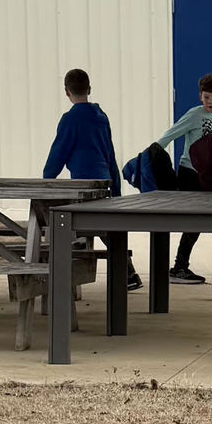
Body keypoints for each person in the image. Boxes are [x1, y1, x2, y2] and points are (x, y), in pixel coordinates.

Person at [43, 68, 142, 291]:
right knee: (106, 228)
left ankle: (66, 278)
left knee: (79, 226)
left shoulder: (70, 119)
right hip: (104, 180)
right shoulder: (101, 117)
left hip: (83, 184)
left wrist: (46, 180)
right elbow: (109, 152)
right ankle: (128, 273)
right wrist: (115, 187)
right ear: (89, 89)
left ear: (67, 92)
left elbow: (59, 152)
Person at [156, 73, 212, 284]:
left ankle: (180, 268)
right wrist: (153, 153)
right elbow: (171, 134)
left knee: (203, 222)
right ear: (200, 97)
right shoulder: (194, 115)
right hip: (190, 174)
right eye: (207, 97)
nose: (210, 102)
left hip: (211, 177)